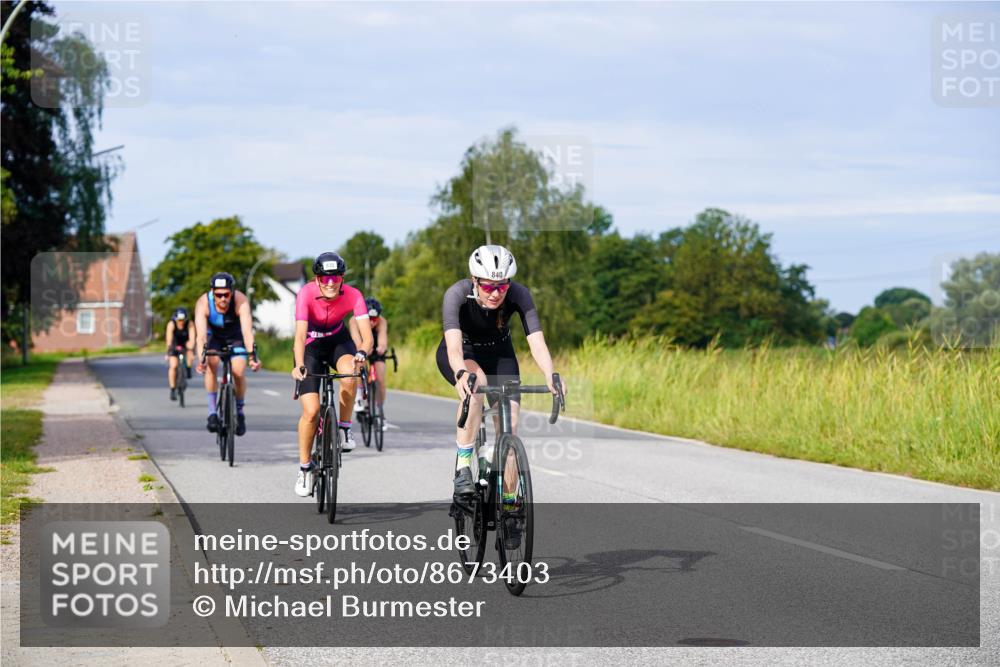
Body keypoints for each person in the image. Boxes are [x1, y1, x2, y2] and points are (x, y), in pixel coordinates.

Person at [436, 244, 565, 498]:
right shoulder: (457, 294)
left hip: (500, 354)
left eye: (502, 286)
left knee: (510, 428)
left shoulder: (519, 294)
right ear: (474, 280)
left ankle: (509, 502)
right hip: (464, 351)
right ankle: (463, 467)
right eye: (488, 287)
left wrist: (551, 375)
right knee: (476, 387)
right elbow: (453, 348)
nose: (496, 294)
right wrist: (461, 373)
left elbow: (537, 343)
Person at [291, 252, 373, 497]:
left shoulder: (354, 295)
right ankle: (305, 468)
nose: (330, 283)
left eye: (335, 277)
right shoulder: (305, 294)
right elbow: (299, 336)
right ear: (317, 279)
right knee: (311, 411)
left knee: (350, 374)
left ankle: (344, 427)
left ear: (342, 278)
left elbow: (367, 337)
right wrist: (298, 364)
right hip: (310, 347)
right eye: (325, 278)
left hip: (338, 341)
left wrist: (361, 353)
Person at [194, 272, 260, 436]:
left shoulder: (241, 300)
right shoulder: (203, 303)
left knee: (238, 371)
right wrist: (201, 359)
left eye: (226, 294)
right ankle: (212, 413)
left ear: (232, 292)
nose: (223, 299)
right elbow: (200, 336)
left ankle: (240, 411)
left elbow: (247, 332)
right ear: (212, 292)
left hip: (235, 336)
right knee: (212, 364)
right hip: (214, 337)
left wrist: (253, 356)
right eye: (218, 295)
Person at [351, 297, 390, 420]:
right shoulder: (354, 320)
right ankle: (359, 397)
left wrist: (381, 347)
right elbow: (357, 341)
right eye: (369, 319)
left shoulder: (382, 321)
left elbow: (382, 339)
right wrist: (364, 350)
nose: (372, 323)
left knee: (380, 378)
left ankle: (380, 411)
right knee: (360, 363)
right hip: (361, 345)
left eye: (375, 319)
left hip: (375, 345)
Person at [164, 307, 195, 400]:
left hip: (185, 342)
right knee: (173, 366)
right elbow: (169, 340)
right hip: (174, 343)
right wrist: (169, 352)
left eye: (183, 320)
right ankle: (173, 389)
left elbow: (192, 338)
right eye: (179, 320)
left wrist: (191, 346)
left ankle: (188, 369)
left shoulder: (189, 324)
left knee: (190, 352)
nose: (181, 322)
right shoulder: (171, 324)